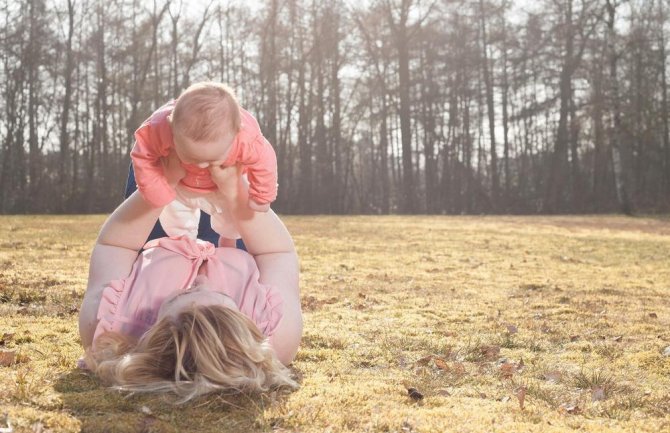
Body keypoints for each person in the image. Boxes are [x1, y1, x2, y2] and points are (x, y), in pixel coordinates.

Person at [77, 152, 302, 402]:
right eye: (221, 295)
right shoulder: (276, 338)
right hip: (233, 241)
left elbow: (115, 246)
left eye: (182, 294)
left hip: (157, 244)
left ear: (154, 336)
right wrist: (236, 191)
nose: (201, 279)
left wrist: (164, 184)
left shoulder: (109, 328)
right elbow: (276, 252)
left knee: (167, 149)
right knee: (218, 147)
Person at [131, 82, 278, 242]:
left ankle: (227, 241)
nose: (201, 165)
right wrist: (156, 192)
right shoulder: (157, 130)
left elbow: (265, 161)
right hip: (180, 184)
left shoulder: (247, 139)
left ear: (236, 132)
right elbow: (143, 156)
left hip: (222, 186)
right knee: (174, 217)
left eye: (212, 159)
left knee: (234, 218)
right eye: (190, 156)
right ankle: (184, 244)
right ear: (172, 127)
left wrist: (262, 196)